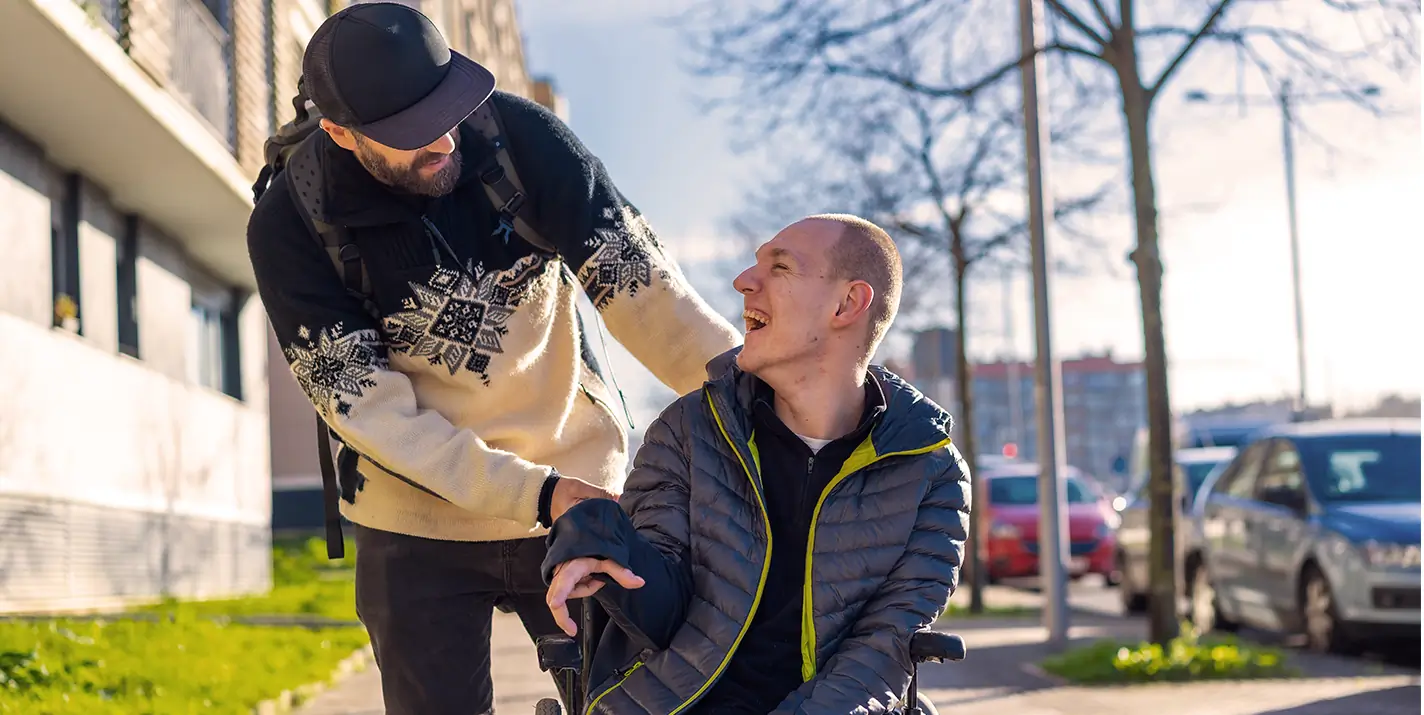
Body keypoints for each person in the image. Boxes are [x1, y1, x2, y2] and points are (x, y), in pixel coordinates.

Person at [244, 3, 741, 713]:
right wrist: (535, 492)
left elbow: (651, 297)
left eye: (446, 110)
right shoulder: (291, 224)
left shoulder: (519, 137)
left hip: (578, 488)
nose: (443, 139)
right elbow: (375, 416)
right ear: (339, 134)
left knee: (641, 702)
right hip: (417, 515)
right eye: (412, 134)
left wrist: (765, 400)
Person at [542, 214, 971, 714]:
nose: (744, 282)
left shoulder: (931, 472)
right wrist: (603, 539)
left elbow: (884, 646)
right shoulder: (689, 429)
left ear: (847, 303)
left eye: (781, 267)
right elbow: (663, 608)